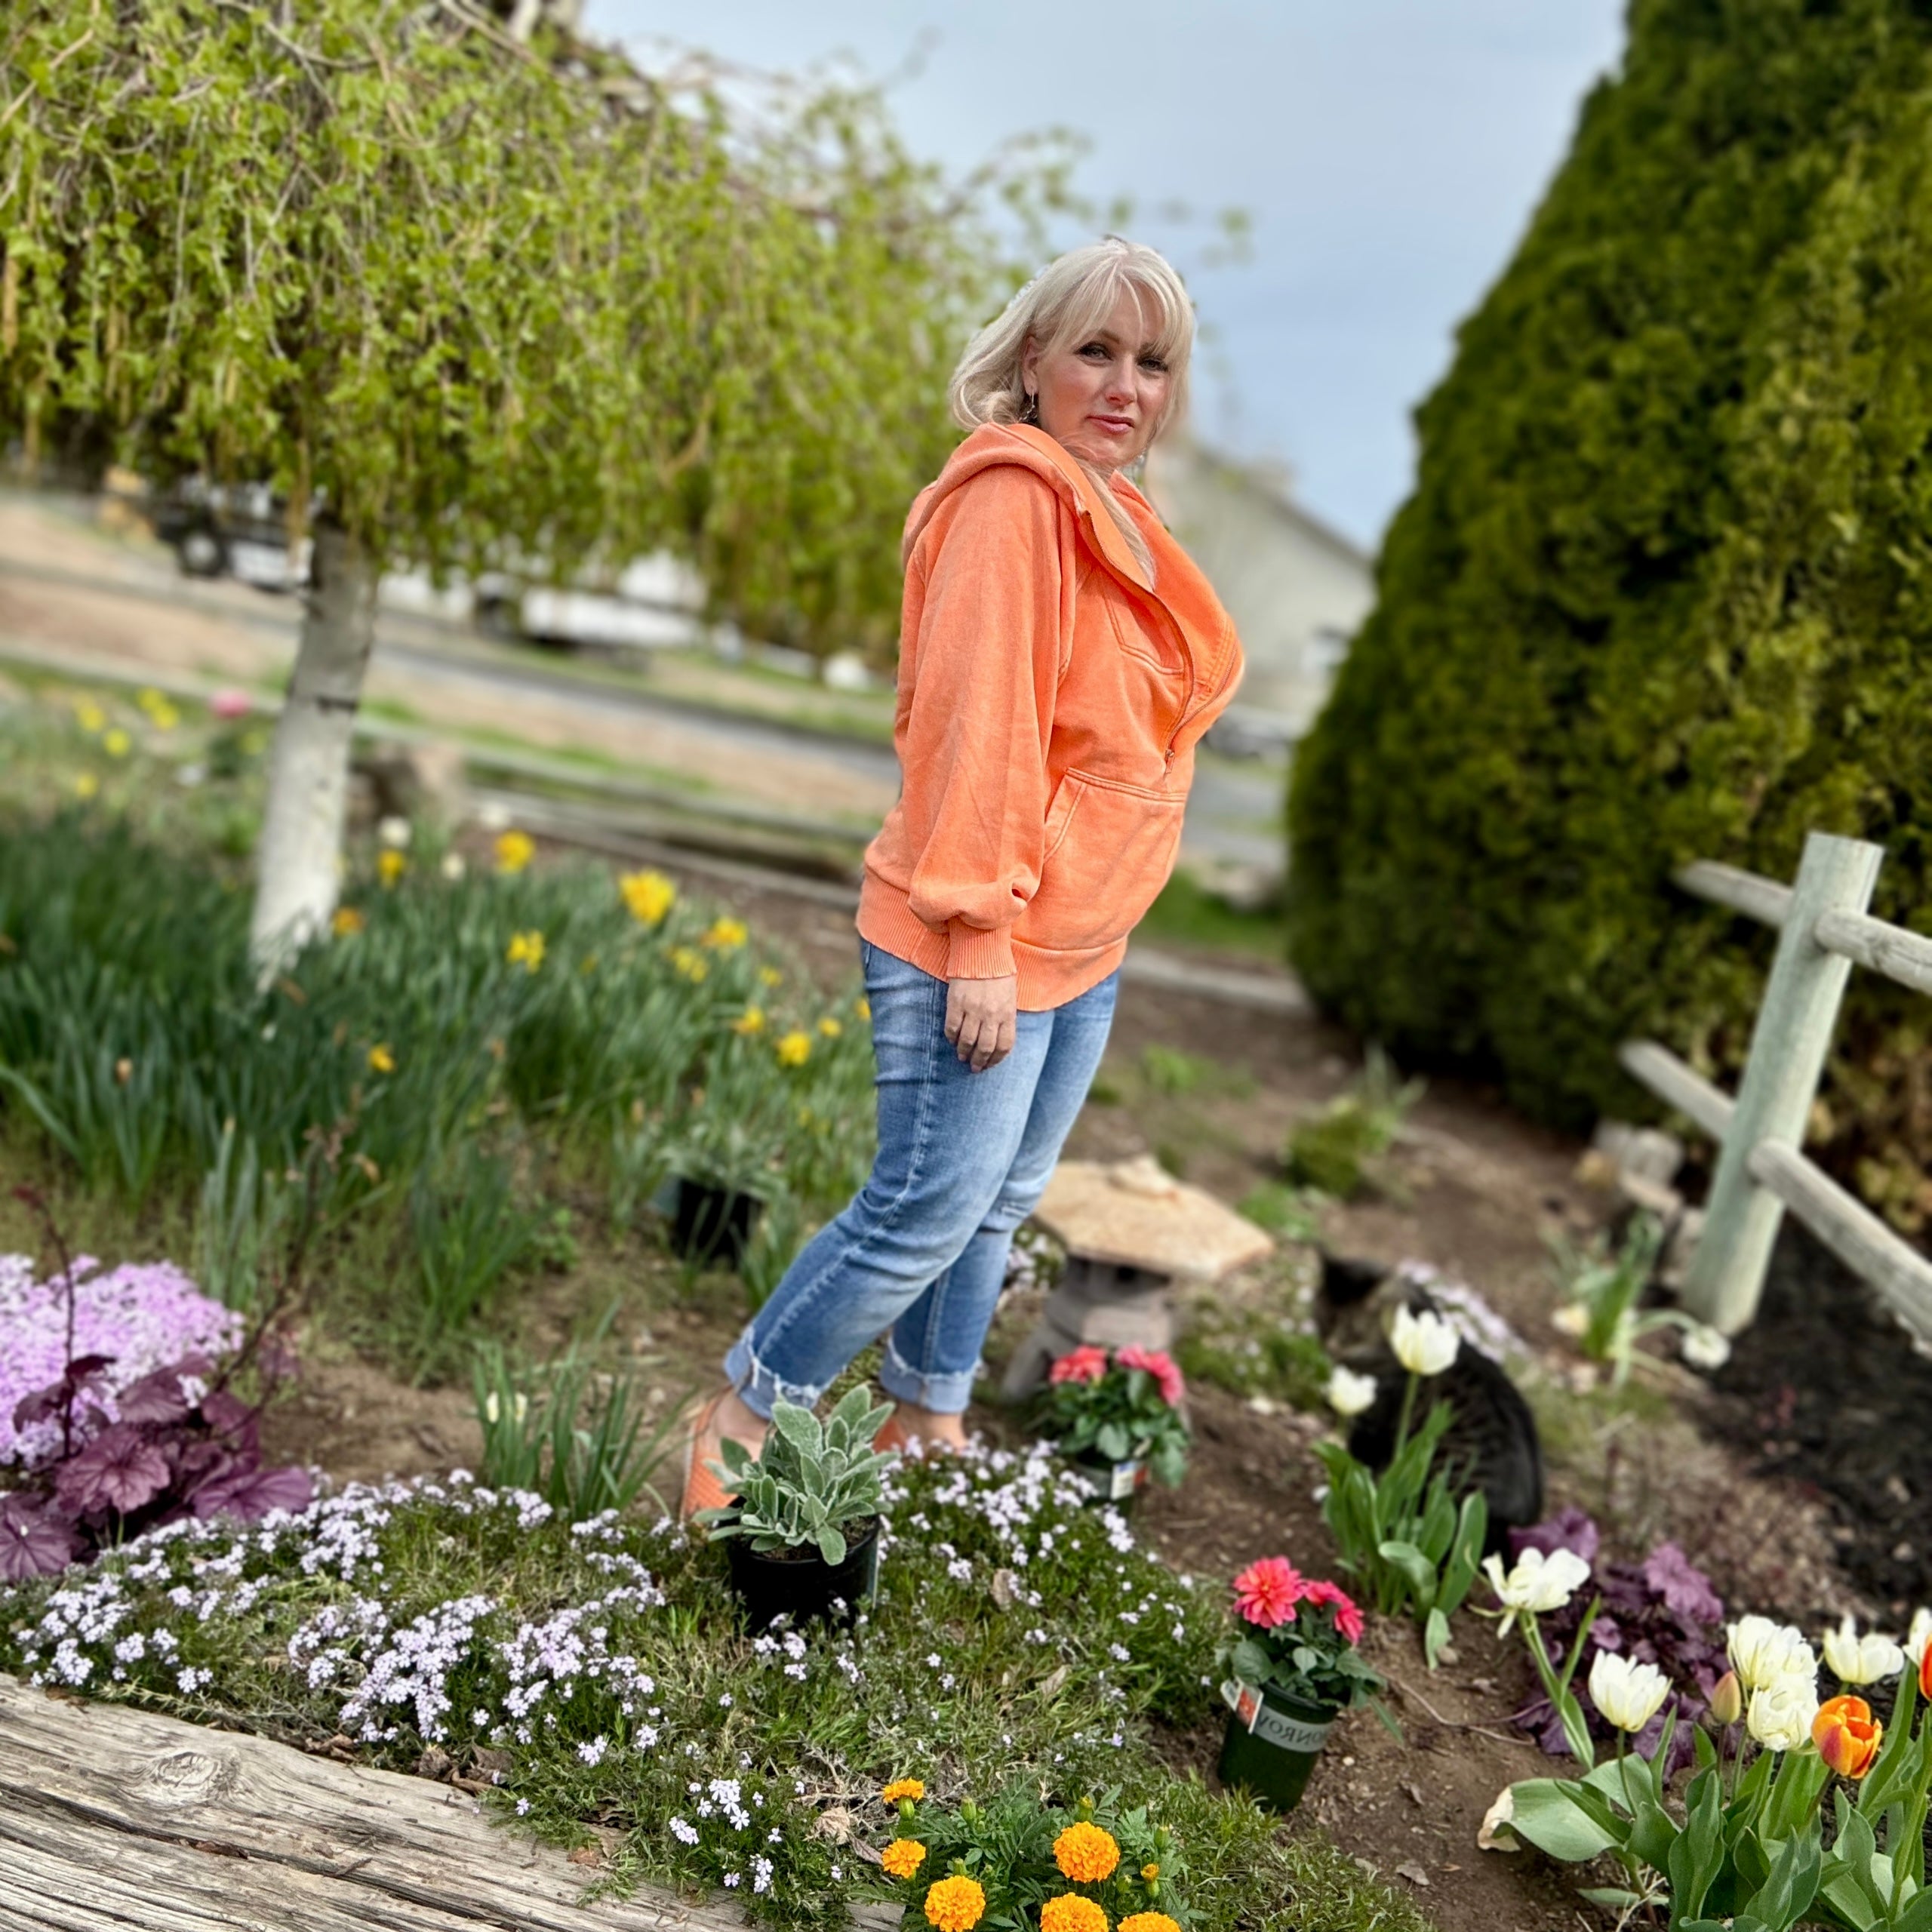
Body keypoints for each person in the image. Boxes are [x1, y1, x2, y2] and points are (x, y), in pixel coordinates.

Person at [681, 235, 1244, 1512]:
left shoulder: (1116, 508)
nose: (1124, 384)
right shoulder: (1012, 502)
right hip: (977, 932)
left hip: (1079, 941)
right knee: (928, 1206)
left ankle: (925, 1418)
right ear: (1032, 358)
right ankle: (743, 1413)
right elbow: (978, 732)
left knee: (999, 1206)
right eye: (1094, 349)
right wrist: (981, 938)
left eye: (1151, 363)